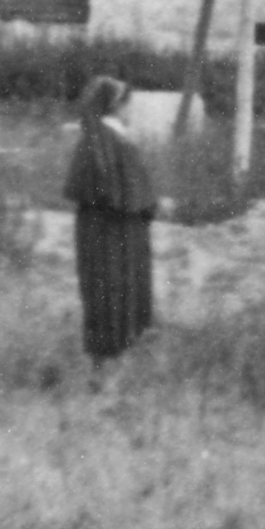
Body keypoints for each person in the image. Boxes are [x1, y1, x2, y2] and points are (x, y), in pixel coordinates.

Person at [63, 77, 157, 368]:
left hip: (93, 230)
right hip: (120, 232)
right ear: (117, 106)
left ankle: (101, 362)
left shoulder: (91, 139)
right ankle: (114, 361)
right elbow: (133, 195)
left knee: (100, 292)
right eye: (129, 105)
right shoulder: (117, 141)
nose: (131, 111)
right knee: (120, 290)